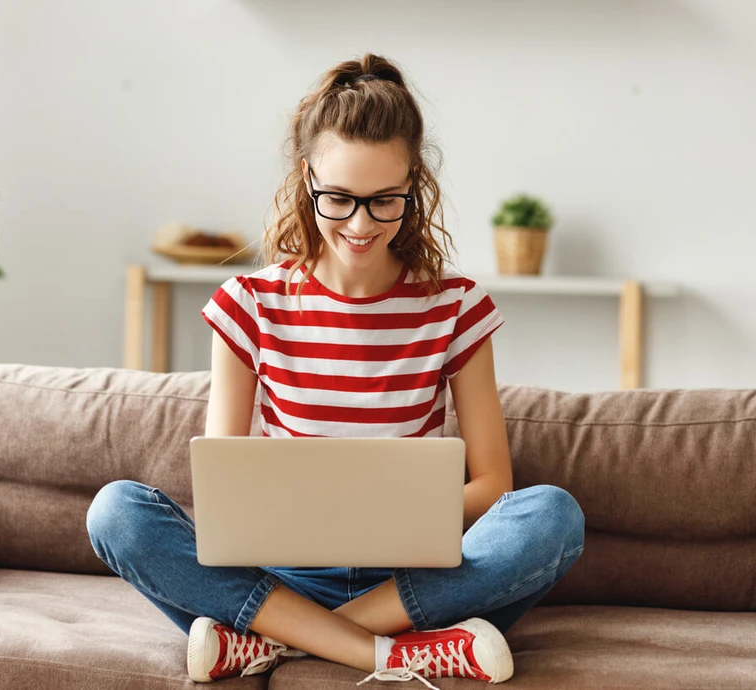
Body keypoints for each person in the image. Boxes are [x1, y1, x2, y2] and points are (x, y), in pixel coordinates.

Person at [86, 54, 585, 688]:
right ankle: (395, 654)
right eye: (340, 199)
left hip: (413, 581)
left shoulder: (456, 307)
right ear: (307, 178)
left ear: (413, 184)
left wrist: (390, 519)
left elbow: (493, 485)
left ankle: (277, 643)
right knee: (117, 513)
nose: (360, 224)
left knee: (553, 517)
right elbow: (223, 496)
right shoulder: (249, 304)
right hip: (280, 578)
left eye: (385, 201)